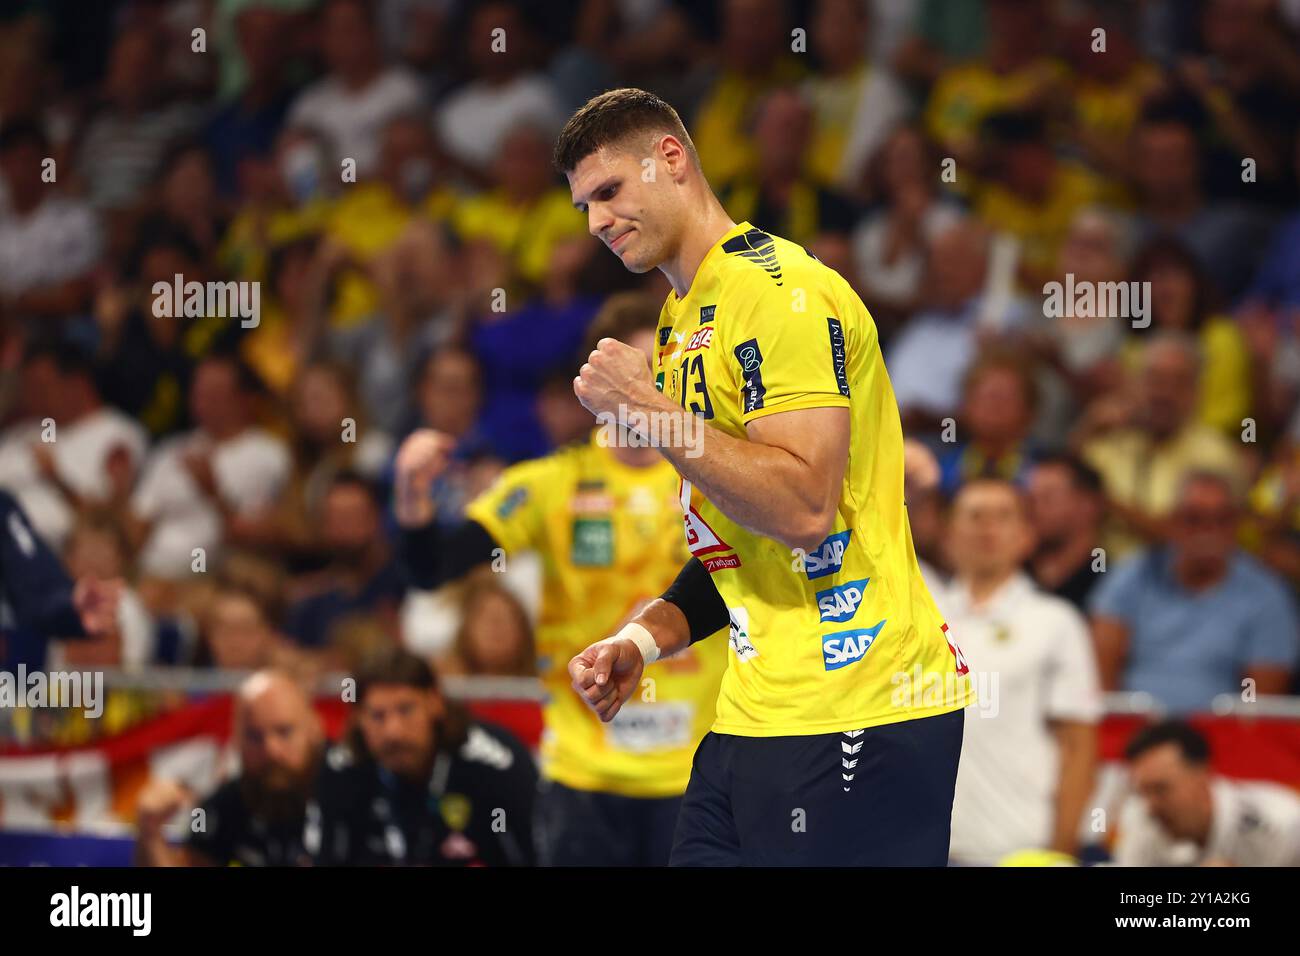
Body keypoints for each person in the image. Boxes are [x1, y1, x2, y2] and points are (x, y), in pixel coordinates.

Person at [554, 88, 974, 865]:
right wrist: (643, 639)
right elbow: (745, 543)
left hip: (861, 706)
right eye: (584, 206)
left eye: (609, 191)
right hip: (754, 712)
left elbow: (803, 510)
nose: (597, 223)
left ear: (671, 158)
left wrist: (646, 410)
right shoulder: (680, 318)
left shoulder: (782, 293)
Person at [394, 292, 728, 866]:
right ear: (598, 383)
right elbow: (435, 571)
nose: (646, 390)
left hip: (697, 775)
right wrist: (410, 495)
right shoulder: (551, 484)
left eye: (661, 372)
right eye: (633, 375)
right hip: (582, 778)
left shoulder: (715, 479)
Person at [940, 480, 1101, 865]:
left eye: (1003, 516)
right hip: (933, 850)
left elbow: (1079, 746)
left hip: (1023, 847)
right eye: (974, 516)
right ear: (949, 535)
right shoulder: (919, 619)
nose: (987, 527)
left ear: (1027, 536)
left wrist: (1060, 853)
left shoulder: (1056, 622)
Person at [1089, 471, 1299, 712]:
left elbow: (1261, 704)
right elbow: (1101, 681)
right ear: (1172, 522)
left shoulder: (1266, 595)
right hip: (1132, 726)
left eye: (1221, 519)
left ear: (1236, 525)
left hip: (1223, 730)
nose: (1207, 530)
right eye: (1194, 519)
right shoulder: (1131, 577)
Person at [311, 648, 537, 866]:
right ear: (358, 718)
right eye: (378, 716)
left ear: (435, 702)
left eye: (406, 710)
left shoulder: (494, 764)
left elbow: (536, 856)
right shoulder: (341, 771)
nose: (393, 732)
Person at [135, 670, 324, 867]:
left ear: (314, 728)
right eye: (254, 736)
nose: (271, 750)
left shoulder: (344, 788)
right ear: (237, 741)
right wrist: (151, 832)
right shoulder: (219, 808)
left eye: (284, 732)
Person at [1115, 720, 1300, 867]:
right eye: (1142, 792)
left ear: (1203, 776)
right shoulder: (1140, 819)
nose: (1150, 806)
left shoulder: (1280, 824)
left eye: (1161, 789)